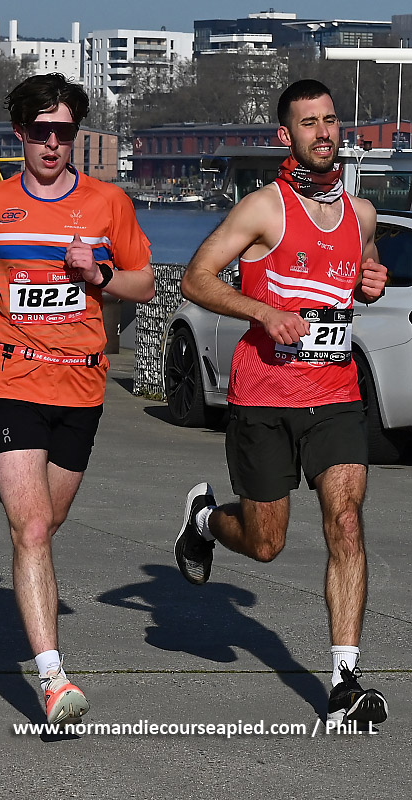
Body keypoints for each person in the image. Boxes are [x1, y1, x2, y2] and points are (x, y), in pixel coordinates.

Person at [0, 73, 154, 725]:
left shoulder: (108, 203)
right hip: (11, 378)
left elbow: (144, 283)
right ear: (20, 134)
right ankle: (55, 680)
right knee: (31, 530)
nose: (53, 144)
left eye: (64, 132)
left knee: (47, 523)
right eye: (41, 131)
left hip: (81, 385)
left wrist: (99, 274)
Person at [174, 79, 389, 727]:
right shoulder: (263, 209)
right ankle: (205, 522)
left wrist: (372, 282)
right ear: (285, 135)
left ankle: (345, 683)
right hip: (264, 397)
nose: (323, 132)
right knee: (265, 542)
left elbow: (363, 272)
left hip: (336, 395)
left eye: (330, 120)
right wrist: (262, 312)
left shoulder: (362, 214)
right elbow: (196, 279)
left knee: (345, 522)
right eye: (309, 123)